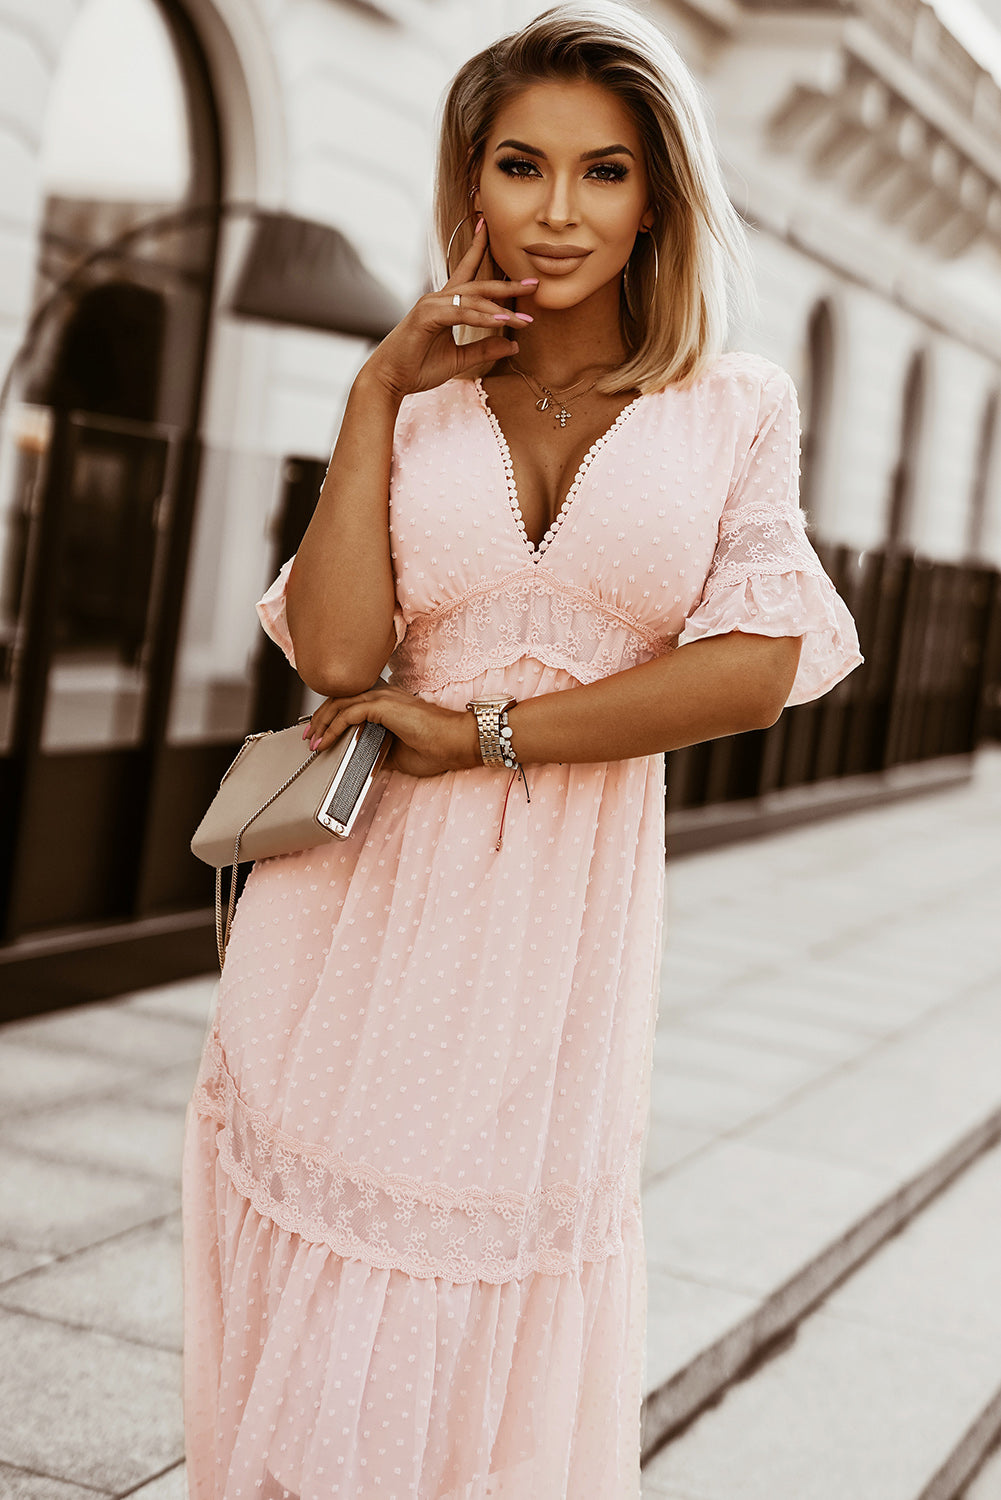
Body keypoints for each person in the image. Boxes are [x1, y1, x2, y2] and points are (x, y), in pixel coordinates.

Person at [181, 3, 862, 1497]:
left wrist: (484, 728)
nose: (557, 213)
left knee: (478, 1259)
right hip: (353, 906)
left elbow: (750, 672)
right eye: (519, 166)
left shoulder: (732, 407)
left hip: (555, 919)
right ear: (469, 183)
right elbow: (344, 660)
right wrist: (374, 394)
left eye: (602, 172)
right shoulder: (417, 409)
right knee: (321, 1281)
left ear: (658, 193)